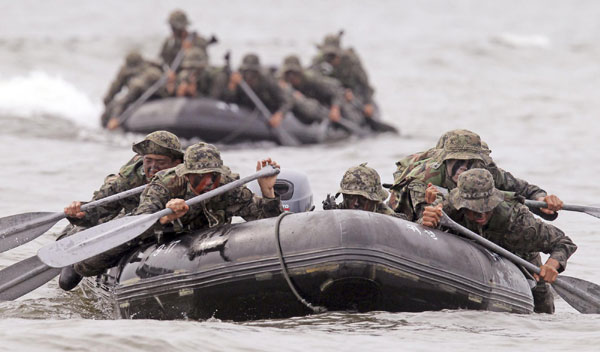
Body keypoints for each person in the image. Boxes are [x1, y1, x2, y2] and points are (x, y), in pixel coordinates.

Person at [72, 142, 283, 278]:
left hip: (205, 238)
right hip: (160, 236)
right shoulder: (165, 184)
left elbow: (265, 220)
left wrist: (268, 191)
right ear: (187, 175)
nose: (209, 183)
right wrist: (165, 218)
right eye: (200, 177)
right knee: (85, 266)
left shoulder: (228, 186)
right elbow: (138, 222)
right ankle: (80, 235)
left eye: (214, 176)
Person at [420, 168, 577, 313]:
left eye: (486, 207)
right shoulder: (450, 207)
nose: (481, 215)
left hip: (523, 262)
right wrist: (426, 221)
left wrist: (551, 266)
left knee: (543, 309)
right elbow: (422, 226)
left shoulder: (518, 221)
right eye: (474, 209)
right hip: (474, 261)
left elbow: (564, 242)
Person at [59, 131, 184, 290]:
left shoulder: (189, 176)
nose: (153, 168)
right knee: (68, 280)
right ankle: (73, 236)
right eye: (148, 160)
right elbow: (99, 208)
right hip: (133, 217)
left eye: (160, 162)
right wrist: (78, 215)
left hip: (169, 221)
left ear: (177, 163)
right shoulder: (129, 178)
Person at [390, 129, 563, 221]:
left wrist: (542, 201)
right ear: (445, 160)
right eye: (457, 160)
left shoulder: (485, 171)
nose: (464, 167)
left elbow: (523, 189)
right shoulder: (425, 178)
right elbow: (424, 217)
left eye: (470, 161)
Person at [213, 53, 292, 127]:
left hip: (266, 109)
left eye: (253, 73)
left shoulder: (266, 79)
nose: (249, 76)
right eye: (246, 72)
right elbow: (227, 102)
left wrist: (279, 115)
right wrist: (232, 85)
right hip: (244, 111)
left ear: (258, 72)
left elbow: (286, 101)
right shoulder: (238, 80)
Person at [279, 55, 362, 125]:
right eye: (288, 74)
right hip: (313, 103)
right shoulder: (284, 81)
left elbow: (336, 91)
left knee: (350, 117)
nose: (291, 77)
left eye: (294, 73)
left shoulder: (312, 79)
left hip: (332, 98)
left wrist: (335, 108)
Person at [310, 32, 375, 120]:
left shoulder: (351, 61)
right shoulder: (319, 60)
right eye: (328, 56)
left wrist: (368, 103)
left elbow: (364, 83)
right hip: (332, 92)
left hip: (353, 92)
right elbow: (311, 77)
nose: (330, 60)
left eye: (333, 56)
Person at [100, 51, 162, 128]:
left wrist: (115, 118)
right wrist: (107, 101)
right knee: (112, 107)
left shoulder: (147, 76)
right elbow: (115, 87)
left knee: (117, 105)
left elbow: (128, 97)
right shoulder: (126, 71)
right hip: (142, 98)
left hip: (153, 99)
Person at [323, 163, 404, 218]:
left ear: (375, 201)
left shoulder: (388, 218)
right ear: (344, 197)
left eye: (363, 199)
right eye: (351, 197)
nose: (356, 203)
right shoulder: (340, 211)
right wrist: (330, 214)